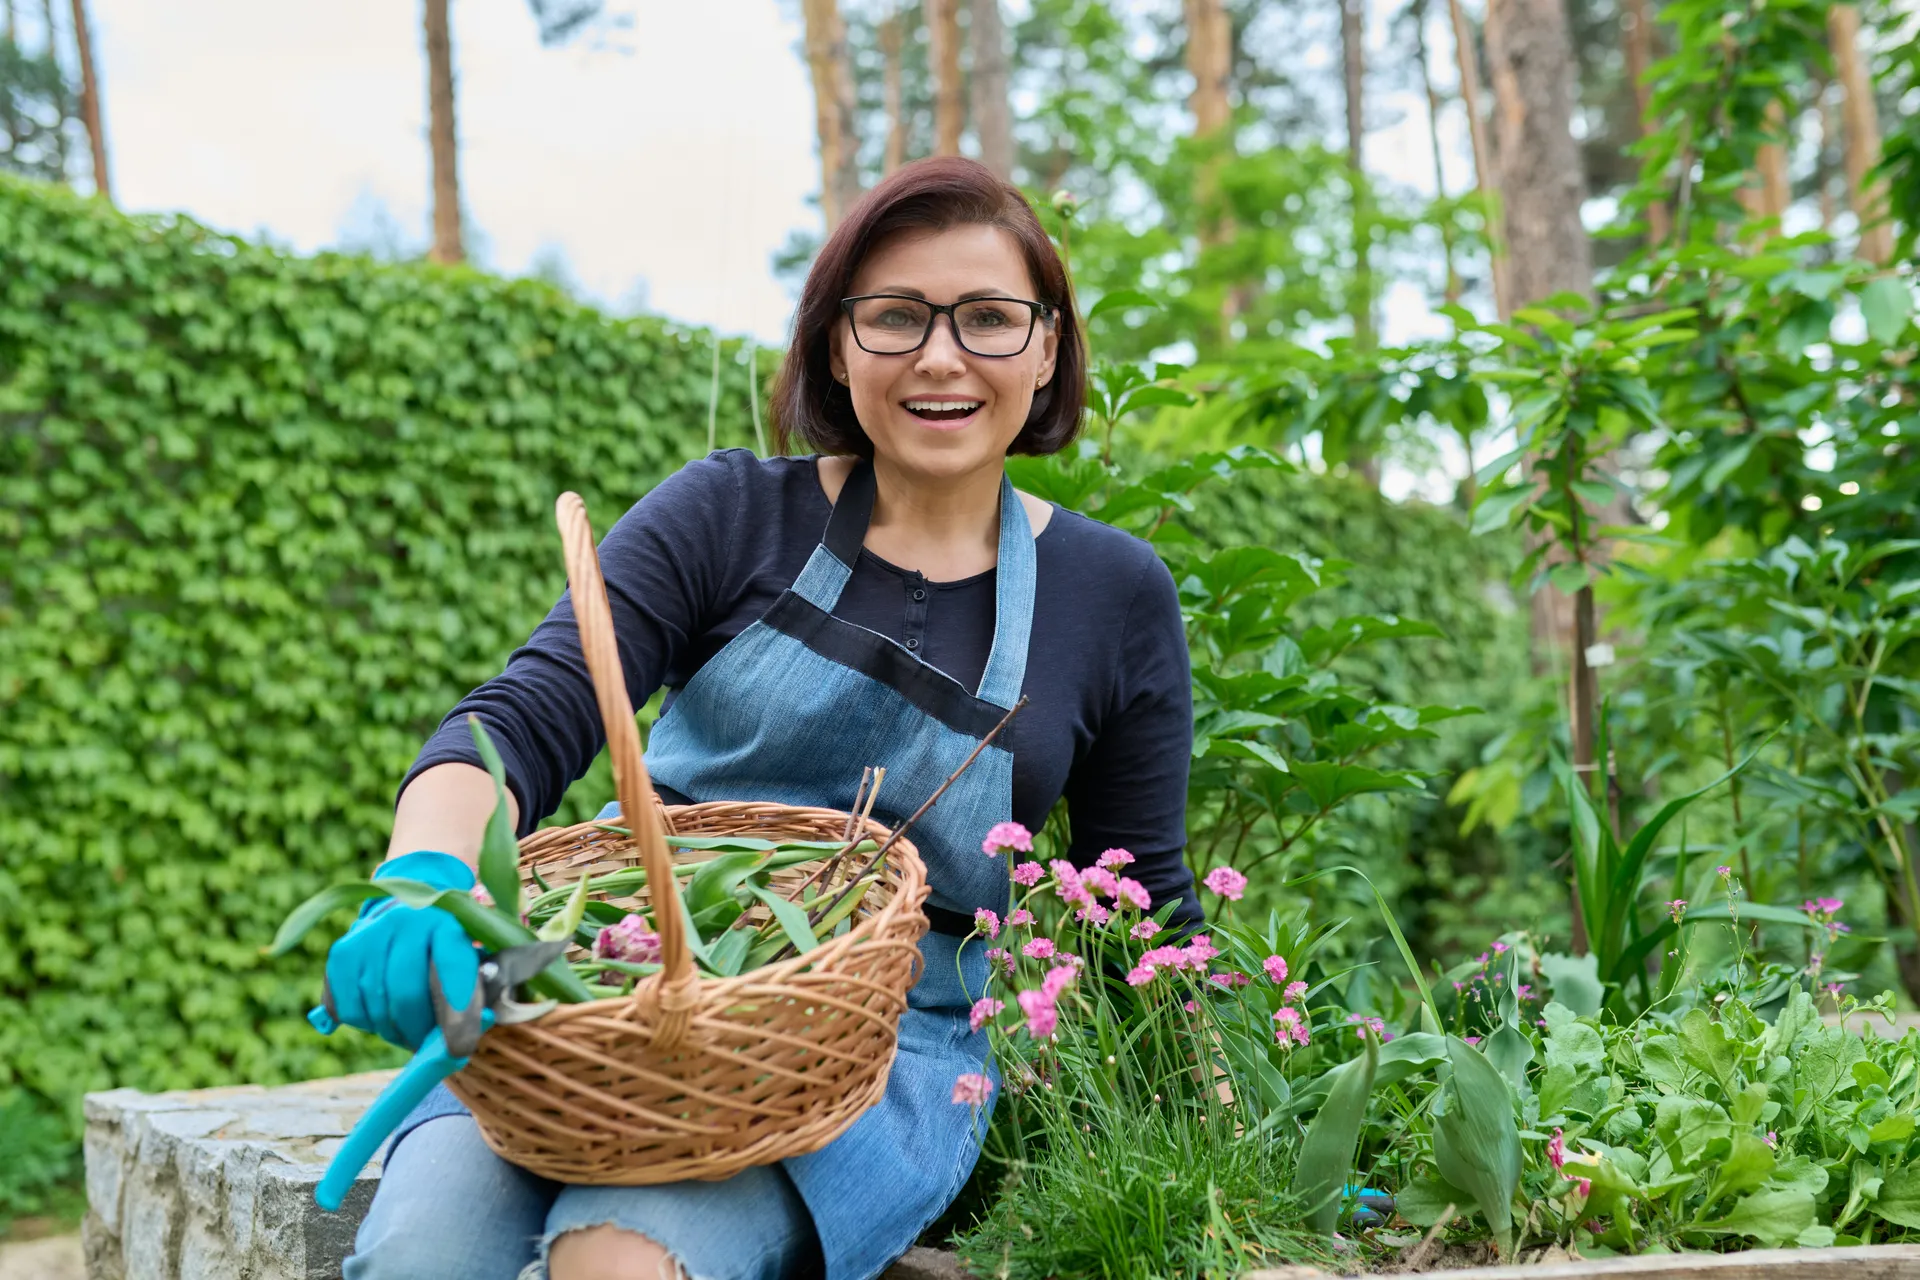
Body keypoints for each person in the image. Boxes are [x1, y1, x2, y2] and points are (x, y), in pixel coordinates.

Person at [336, 155, 1199, 1280]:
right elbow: (524, 717)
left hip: (867, 1054)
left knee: (615, 1255)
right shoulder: (728, 511)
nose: (942, 355)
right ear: (839, 345)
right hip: (596, 989)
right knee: (418, 1255)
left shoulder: (1113, 593)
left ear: (1047, 346)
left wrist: (1238, 1142)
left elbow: (1150, 907)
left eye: (988, 318)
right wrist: (426, 878)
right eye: (896, 316)